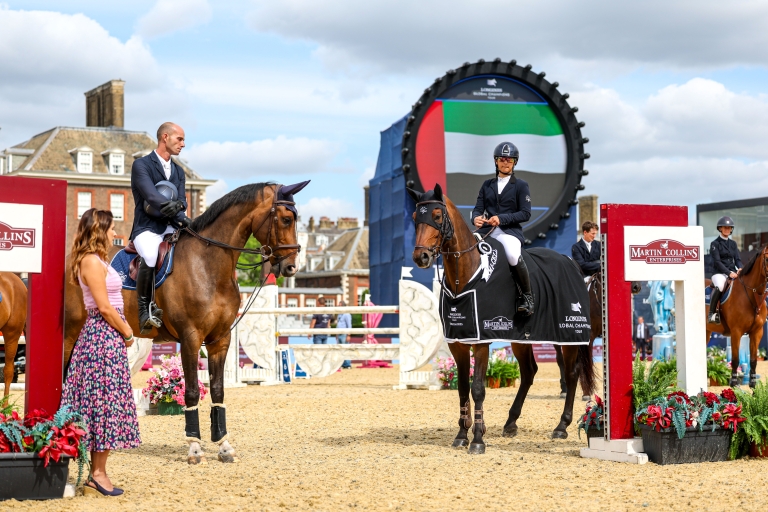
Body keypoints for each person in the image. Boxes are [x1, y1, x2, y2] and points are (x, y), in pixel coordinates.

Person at [61, 208, 141, 497]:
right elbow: (104, 307)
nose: (114, 233)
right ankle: (97, 474)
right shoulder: (90, 262)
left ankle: (98, 472)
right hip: (102, 336)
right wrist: (128, 331)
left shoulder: (99, 260)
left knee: (105, 404)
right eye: (110, 229)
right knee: (103, 405)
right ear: (98, 231)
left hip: (107, 336)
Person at [129, 122, 192, 334]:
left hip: (171, 227)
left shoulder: (179, 171)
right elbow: (152, 196)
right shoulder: (141, 165)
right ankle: (144, 311)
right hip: (147, 228)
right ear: (165, 137)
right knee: (150, 254)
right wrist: (178, 211)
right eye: (179, 139)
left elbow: (182, 201)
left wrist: (181, 212)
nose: (183, 144)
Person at [471, 141, 534, 315]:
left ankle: (527, 297)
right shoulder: (487, 184)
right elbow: (478, 208)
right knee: (466, 248)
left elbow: (525, 213)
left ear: (514, 162)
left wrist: (501, 219)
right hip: (486, 231)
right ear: (496, 161)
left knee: (513, 255)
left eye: (509, 160)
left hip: (509, 231)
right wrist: (475, 218)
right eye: (502, 159)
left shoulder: (521, 185)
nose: (505, 162)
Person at [708, 216, 742, 324]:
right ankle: (712, 313)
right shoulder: (715, 244)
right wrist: (729, 273)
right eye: (725, 227)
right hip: (719, 273)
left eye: (729, 227)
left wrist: (740, 268)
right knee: (720, 286)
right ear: (720, 228)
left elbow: (737, 259)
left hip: (732, 272)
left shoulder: (733, 244)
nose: (727, 229)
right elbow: (717, 262)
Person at [336, 301, 352, 368]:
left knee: (346, 349)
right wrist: (336, 334)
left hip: (344, 334)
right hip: (339, 334)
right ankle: (341, 363)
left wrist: (349, 335)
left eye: (339, 305)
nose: (338, 306)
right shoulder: (339, 314)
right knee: (340, 349)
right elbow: (338, 324)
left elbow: (349, 325)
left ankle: (347, 364)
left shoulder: (347, 314)